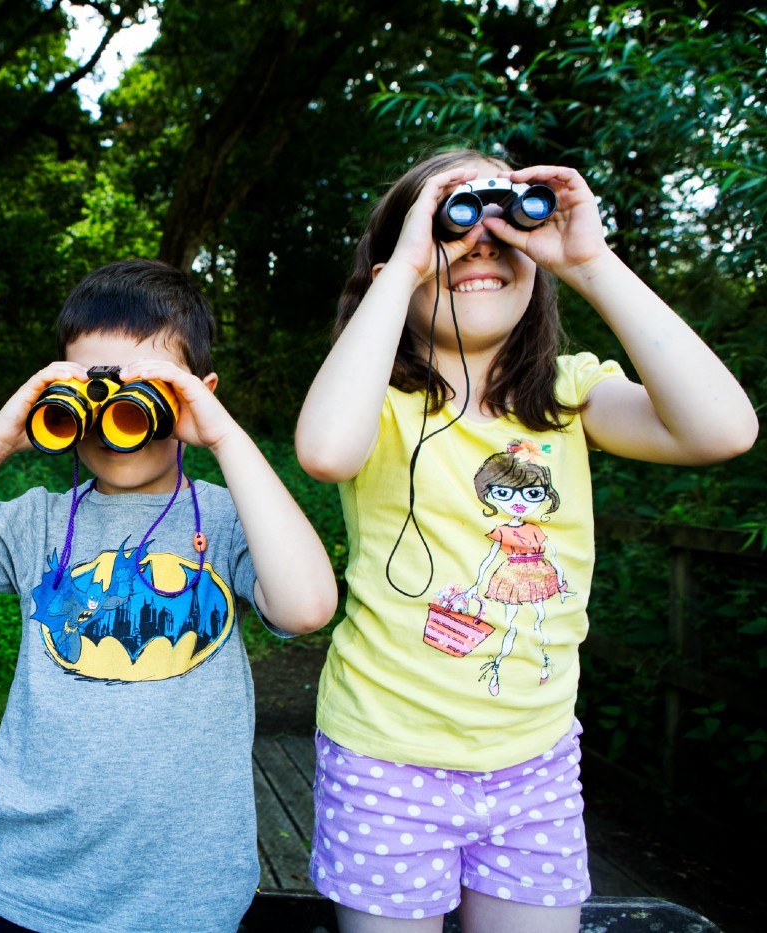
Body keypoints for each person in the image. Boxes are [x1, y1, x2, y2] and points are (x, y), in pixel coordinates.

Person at [293, 148, 756, 932]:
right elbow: (325, 451)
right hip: (386, 756)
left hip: (534, 763)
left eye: (507, 231)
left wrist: (592, 260)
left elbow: (725, 428)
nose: (482, 246)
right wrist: (403, 266)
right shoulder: (382, 401)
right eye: (454, 228)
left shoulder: (570, 395)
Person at [0, 259, 338, 933]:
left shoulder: (231, 518)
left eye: (148, 390)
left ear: (199, 394)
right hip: (38, 882)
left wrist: (226, 435)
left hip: (189, 888)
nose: (118, 414)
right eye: (96, 388)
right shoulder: (35, 522)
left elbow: (308, 605)